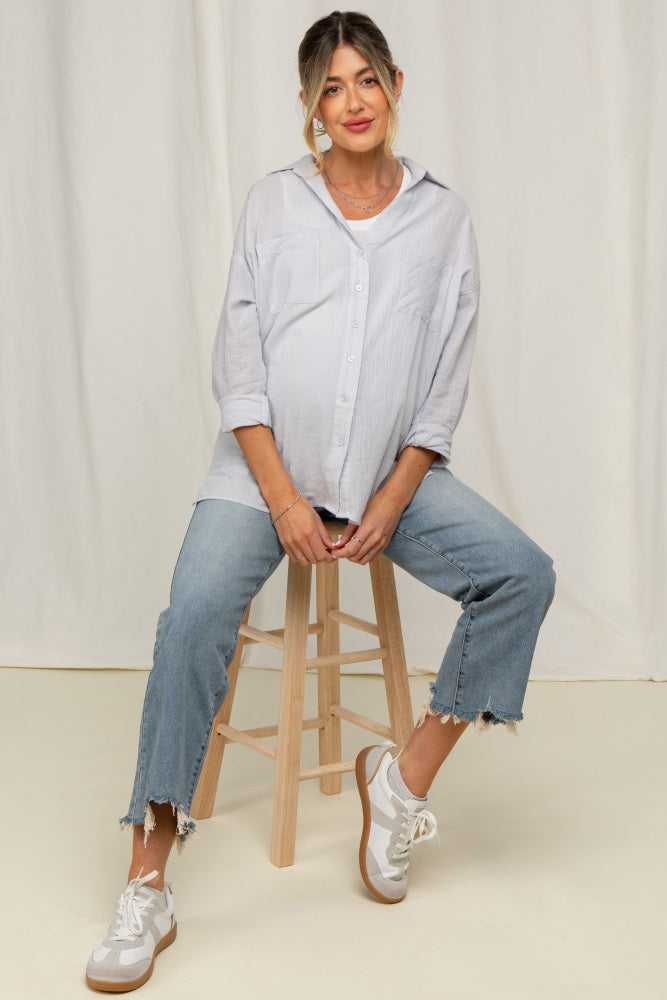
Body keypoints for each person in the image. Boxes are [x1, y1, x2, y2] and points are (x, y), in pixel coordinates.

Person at [85, 9, 555, 992]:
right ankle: (147, 880)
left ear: (394, 85)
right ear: (308, 105)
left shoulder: (442, 218)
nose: (352, 101)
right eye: (331, 86)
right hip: (259, 478)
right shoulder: (273, 204)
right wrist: (284, 499)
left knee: (520, 573)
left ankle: (400, 782)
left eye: (366, 79)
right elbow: (239, 366)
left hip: (388, 479)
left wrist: (393, 493)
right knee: (192, 619)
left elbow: (441, 384)